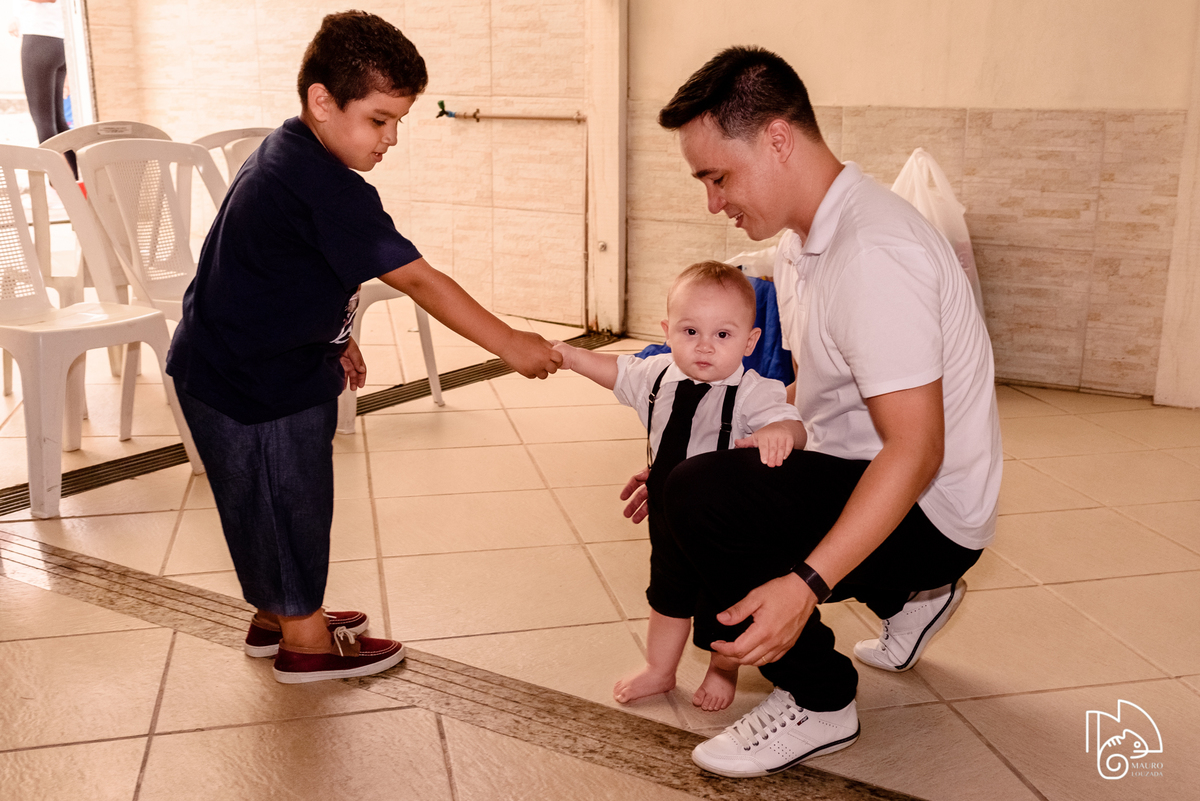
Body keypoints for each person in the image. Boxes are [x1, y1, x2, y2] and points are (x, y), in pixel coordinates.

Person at [629, 46, 1002, 777]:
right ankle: (907, 594)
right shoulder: (804, 242)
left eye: (717, 176)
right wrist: (704, 448)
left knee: (701, 500)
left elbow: (917, 450)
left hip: (934, 507)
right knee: (691, 476)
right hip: (870, 465)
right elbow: (813, 395)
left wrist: (806, 586)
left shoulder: (873, 253)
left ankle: (822, 699)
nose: (713, 201)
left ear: (776, 138)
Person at [165, 11, 561, 684]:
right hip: (256, 385)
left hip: (232, 365)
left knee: (259, 502)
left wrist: (337, 337)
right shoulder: (323, 186)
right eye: (380, 120)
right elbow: (417, 278)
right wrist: (510, 343)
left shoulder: (287, 153)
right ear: (323, 101)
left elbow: (299, 269)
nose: (393, 138)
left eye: (399, 121)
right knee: (287, 503)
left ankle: (277, 615)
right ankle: (305, 640)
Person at [553, 261, 804, 712]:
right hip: (668, 520)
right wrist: (570, 356)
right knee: (666, 597)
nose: (705, 346)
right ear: (667, 331)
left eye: (723, 335)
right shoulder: (657, 377)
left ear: (750, 341)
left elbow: (790, 422)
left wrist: (780, 433)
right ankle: (660, 669)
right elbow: (614, 369)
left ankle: (721, 670)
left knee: (726, 604)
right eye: (690, 331)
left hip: (724, 530)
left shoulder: (753, 391)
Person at [9, 0, 69, 143]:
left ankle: (53, 166)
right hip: (56, 40)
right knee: (56, 120)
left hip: (40, 39)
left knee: (44, 121)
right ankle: (76, 166)